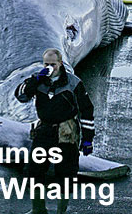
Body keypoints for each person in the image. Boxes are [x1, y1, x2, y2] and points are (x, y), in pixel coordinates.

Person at [15, 48, 95, 214]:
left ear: (60, 64)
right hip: (44, 130)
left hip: (66, 132)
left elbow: (86, 111)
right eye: (46, 64)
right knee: (35, 170)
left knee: (65, 173)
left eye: (53, 64)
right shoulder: (39, 80)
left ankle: (62, 210)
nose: (50, 67)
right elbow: (21, 96)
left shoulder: (73, 83)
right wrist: (35, 81)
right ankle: (38, 209)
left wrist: (88, 139)